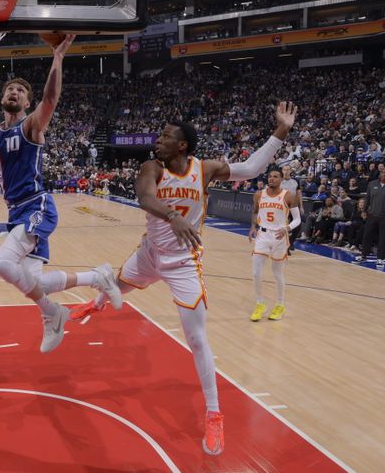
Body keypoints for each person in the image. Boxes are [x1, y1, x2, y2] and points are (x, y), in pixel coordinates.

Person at [71, 101, 298, 456]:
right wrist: (173, 218)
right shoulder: (151, 167)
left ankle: (213, 414)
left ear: (182, 146)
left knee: (197, 339)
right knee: (115, 285)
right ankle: (95, 304)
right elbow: (144, 198)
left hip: (184, 263)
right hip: (150, 253)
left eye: (165, 136)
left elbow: (252, 167)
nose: (157, 140)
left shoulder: (203, 169)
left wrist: (281, 130)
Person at [0, 34, 120, 354]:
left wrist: (58, 57)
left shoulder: (31, 126)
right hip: (16, 213)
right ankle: (97, 276)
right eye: (10, 88)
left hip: (37, 205)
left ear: (28, 103)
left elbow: (51, 100)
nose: (14, 92)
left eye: (21, 91)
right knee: (34, 282)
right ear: (2, 97)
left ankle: (53, 314)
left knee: (1, 263)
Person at [247, 168, 301, 321]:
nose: (271, 179)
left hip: (279, 236)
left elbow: (297, 219)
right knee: (256, 272)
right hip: (262, 235)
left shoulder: (288, 196)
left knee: (277, 273)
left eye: (275, 177)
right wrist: (252, 226)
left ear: (281, 179)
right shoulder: (259, 194)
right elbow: (255, 211)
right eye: (270, 176)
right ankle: (260, 303)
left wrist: (287, 228)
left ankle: (280, 305)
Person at [354, 169, 385, 266]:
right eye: (383, 173)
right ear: (380, 174)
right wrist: (364, 211)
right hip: (372, 215)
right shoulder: (372, 184)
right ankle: (363, 255)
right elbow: (367, 198)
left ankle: (381, 258)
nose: (384, 175)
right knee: (367, 235)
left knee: (383, 238)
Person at [280, 164, 303, 253]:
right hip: (282, 207)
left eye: (288, 169)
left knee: (298, 225)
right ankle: (284, 246)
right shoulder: (279, 181)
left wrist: (301, 206)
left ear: (290, 171)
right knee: (283, 226)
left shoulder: (295, 181)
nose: (286, 171)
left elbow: (299, 194)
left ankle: (290, 242)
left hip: (293, 206)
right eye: (284, 169)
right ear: (282, 171)